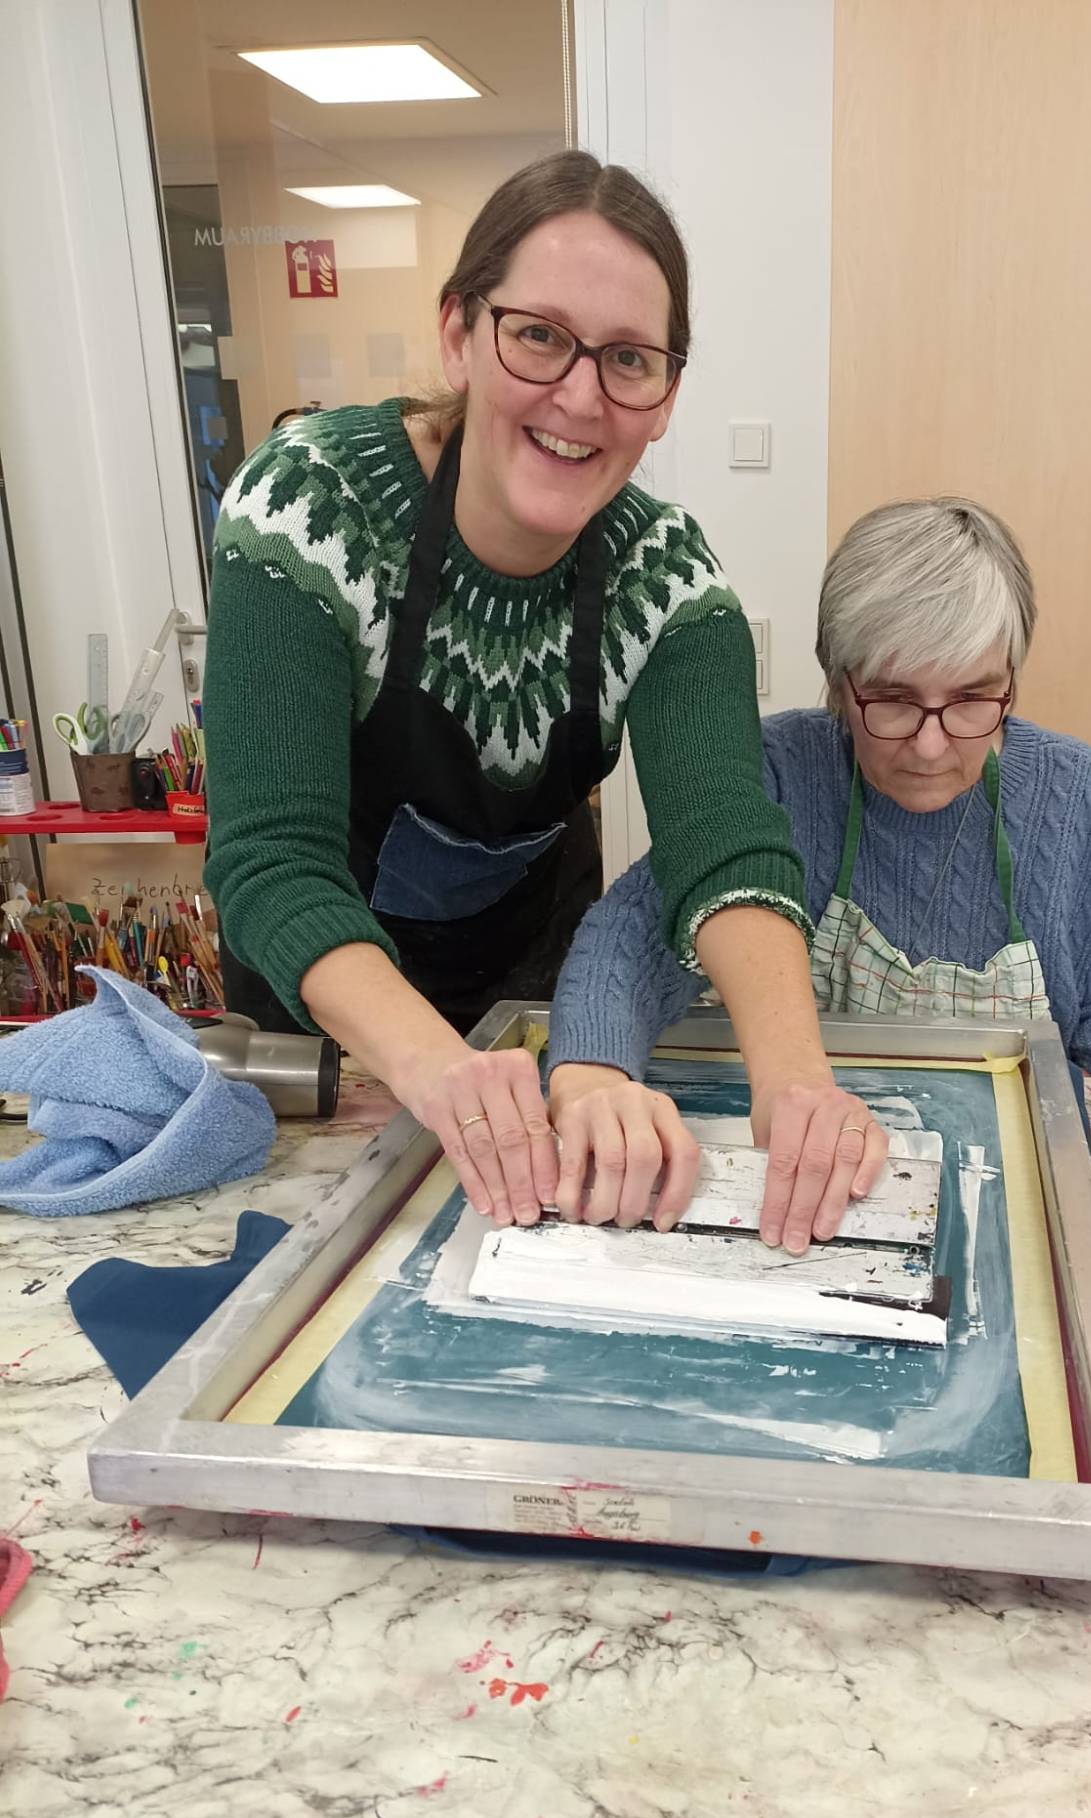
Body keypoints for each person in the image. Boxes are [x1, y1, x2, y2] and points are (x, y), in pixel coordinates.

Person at [203, 151, 884, 1249]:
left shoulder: (666, 578)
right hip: (328, 1033)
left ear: (665, 397)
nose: (580, 396)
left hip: (526, 993)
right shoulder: (310, 507)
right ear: (458, 333)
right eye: (538, 336)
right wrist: (440, 1071)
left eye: (629, 359)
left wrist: (796, 1076)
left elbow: (724, 847)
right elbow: (271, 862)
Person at [547, 497, 1091, 1223]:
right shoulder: (779, 772)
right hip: (788, 1189)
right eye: (891, 700)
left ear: (1010, 681)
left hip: (1008, 1195)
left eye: (971, 699)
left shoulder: (1068, 795)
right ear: (838, 683)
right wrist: (596, 1075)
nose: (930, 745)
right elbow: (627, 942)